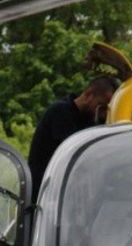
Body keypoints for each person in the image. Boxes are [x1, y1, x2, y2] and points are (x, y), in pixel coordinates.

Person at [26, 73, 119, 201]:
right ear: (88, 95)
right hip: (44, 198)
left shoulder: (88, 120)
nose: (104, 114)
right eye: (101, 106)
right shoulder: (61, 112)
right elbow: (78, 155)